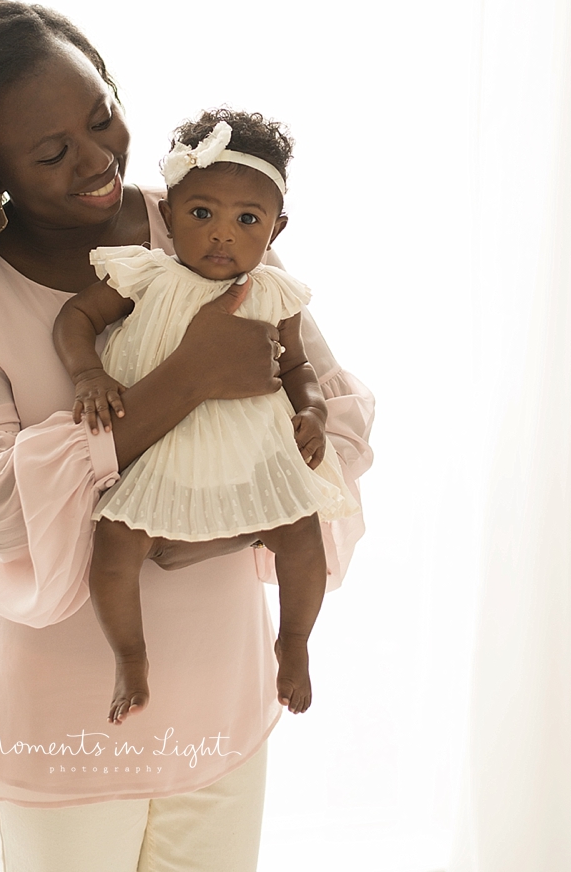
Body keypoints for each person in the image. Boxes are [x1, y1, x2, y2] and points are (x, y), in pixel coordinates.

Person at [0, 0, 374, 872]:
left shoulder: (203, 219)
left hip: (223, 686)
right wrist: (190, 379)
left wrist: (206, 523)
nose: (99, 156)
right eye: (51, 151)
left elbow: (332, 411)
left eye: (101, 113)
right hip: (69, 708)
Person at [54, 111, 360, 724]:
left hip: (250, 452)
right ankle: (131, 656)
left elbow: (299, 368)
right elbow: (75, 320)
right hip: (162, 447)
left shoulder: (274, 293)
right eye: (202, 214)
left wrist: (315, 411)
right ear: (167, 216)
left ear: (276, 229)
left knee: (302, 537)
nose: (223, 235)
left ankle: (293, 641)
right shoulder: (145, 275)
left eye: (247, 220)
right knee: (114, 548)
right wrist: (88, 373)